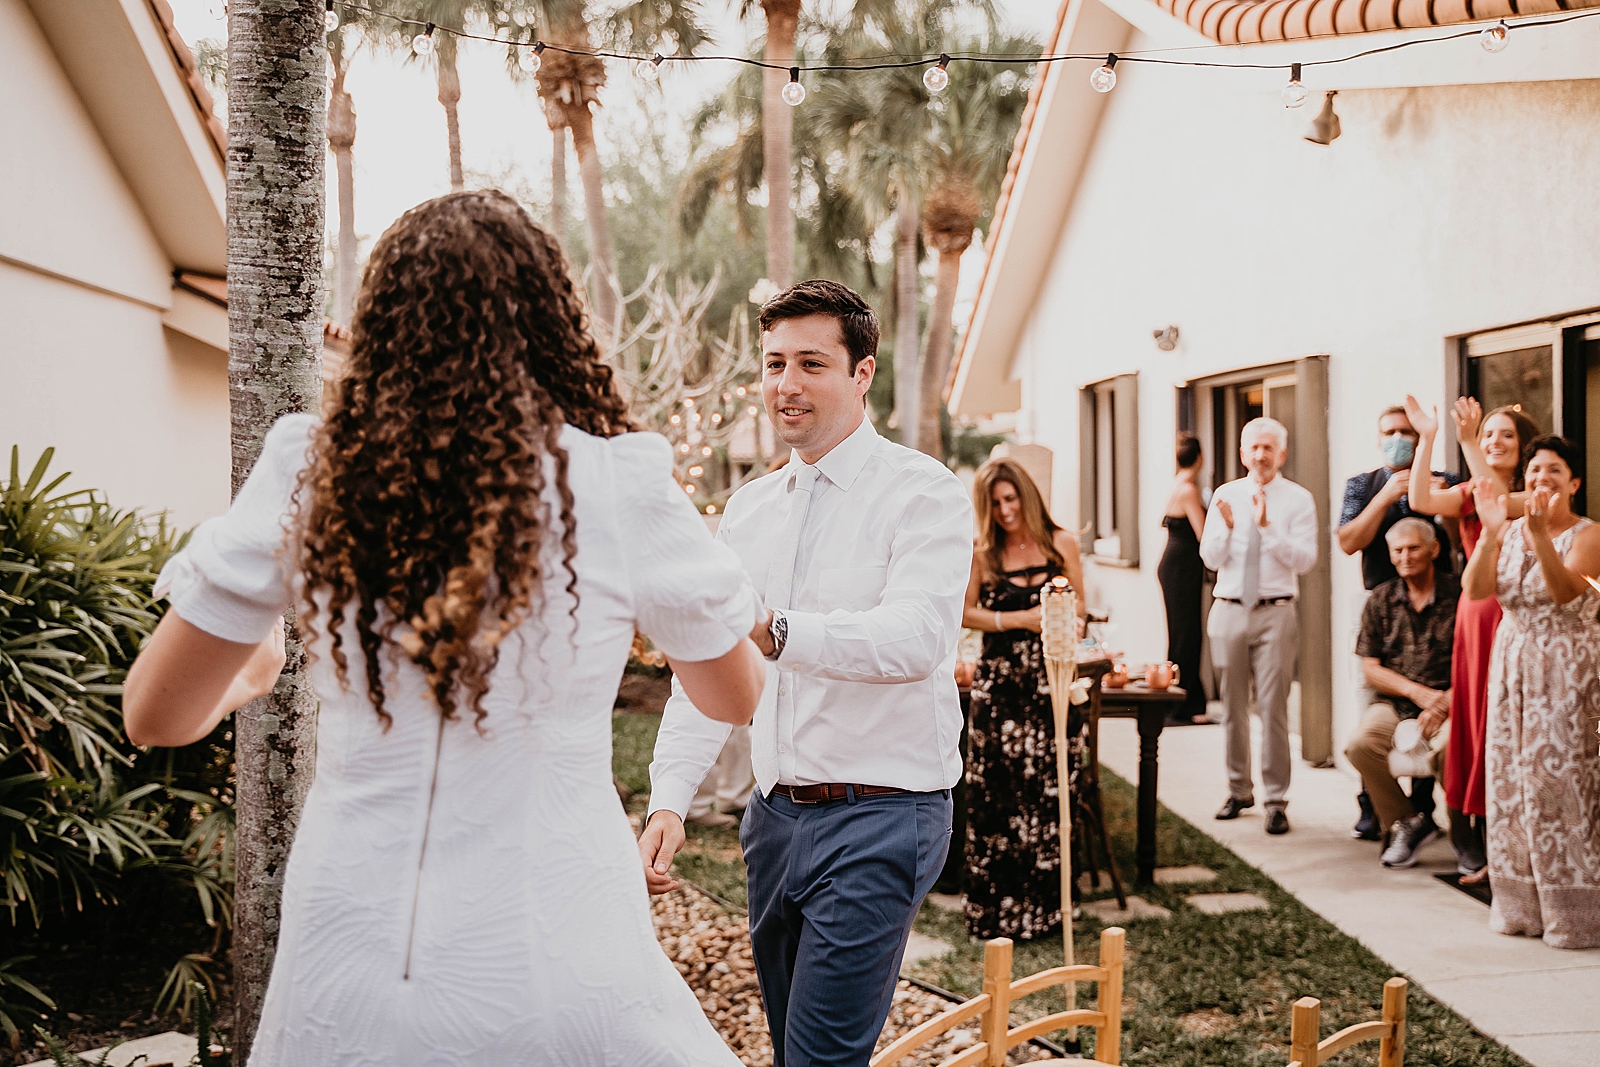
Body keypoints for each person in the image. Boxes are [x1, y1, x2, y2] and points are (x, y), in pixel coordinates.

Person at [122, 191, 768, 1066]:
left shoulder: (310, 470)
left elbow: (155, 715)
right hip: (557, 939)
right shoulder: (617, 483)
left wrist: (258, 667)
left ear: (381, 327)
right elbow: (733, 691)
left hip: (352, 949)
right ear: (550, 325)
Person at [639, 280, 972, 1066]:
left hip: (883, 815)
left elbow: (917, 638)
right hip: (773, 823)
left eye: (812, 363)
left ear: (863, 372)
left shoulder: (924, 493)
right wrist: (669, 798)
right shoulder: (750, 509)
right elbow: (711, 663)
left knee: (819, 1058)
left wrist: (775, 629)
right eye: (774, 363)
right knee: (794, 1047)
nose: (786, 385)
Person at [1465, 435, 1600, 950]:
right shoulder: (1510, 529)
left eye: (1554, 473)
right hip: (1513, 666)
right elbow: (1477, 591)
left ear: (1574, 484)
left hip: (1568, 669)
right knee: (1512, 783)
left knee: (1563, 782)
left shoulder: (1589, 535)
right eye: (1534, 472)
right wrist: (1491, 535)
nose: (1542, 480)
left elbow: (1566, 593)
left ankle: (1576, 915)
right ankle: (1523, 910)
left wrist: (1541, 535)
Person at [1405, 396, 1538, 883]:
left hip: (1518, 610)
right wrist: (1428, 438)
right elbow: (1420, 501)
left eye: (1506, 435)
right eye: (1487, 434)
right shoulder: (1467, 492)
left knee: (1508, 718)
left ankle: (1514, 842)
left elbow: (1497, 506)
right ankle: (1476, 840)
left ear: (1524, 446)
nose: (1494, 441)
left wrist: (1466, 441)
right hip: (1477, 612)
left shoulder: (1532, 493)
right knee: (1475, 719)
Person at [960, 457, 1086, 940]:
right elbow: (965, 614)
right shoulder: (983, 553)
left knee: (1050, 796)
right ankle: (998, 915)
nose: (1005, 510)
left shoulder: (1062, 544)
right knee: (998, 799)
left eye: (1011, 499)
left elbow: (1080, 610)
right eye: (995, 504)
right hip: (1000, 691)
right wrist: (1021, 620)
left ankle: (1048, 913)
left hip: (1051, 684)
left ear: (1028, 496)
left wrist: (1065, 622)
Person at [1336, 404, 1460, 841]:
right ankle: (1376, 807)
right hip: (1381, 609)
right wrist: (1386, 496)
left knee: (1433, 702)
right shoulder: (1361, 485)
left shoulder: (1445, 480)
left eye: (1408, 431)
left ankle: (1424, 810)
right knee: (1372, 710)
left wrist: (1440, 501)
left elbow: (1461, 539)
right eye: (1391, 430)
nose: (1399, 437)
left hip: (1440, 607)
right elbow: (1348, 542)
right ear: (1378, 436)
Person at [1200, 417, 1318, 835]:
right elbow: (1210, 558)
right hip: (1229, 608)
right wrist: (1229, 529)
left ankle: (1275, 799)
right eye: (1253, 447)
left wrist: (1266, 526)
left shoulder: (1298, 499)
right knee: (1232, 706)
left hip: (1276, 611)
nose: (1260, 455)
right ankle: (1238, 790)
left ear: (1281, 454)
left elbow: (1305, 560)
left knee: (1273, 709)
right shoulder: (1225, 496)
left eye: (1268, 448)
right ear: (1242, 452)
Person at [1344, 518, 1457, 868]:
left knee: (1450, 751)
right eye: (1398, 551)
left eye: (1413, 548)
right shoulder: (1380, 599)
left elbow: (1477, 663)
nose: (1405, 557)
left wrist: (1445, 701)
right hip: (1395, 704)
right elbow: (1371, 667)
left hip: (1452, 704)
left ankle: (1468, 838)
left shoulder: (1460, 596)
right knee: (1360, 746)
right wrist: (1418, 694)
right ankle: (1408, 822)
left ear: (1434, 550)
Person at [1158, 431, 1211, 727]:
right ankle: (1186, 704)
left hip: (1176, 566)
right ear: (1200, 458)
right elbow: (1203, 534)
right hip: (1181, 568)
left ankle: (1178, 700)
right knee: (1187, 635)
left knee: (1181, 635)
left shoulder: (1177, 484)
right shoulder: (1188, 489)